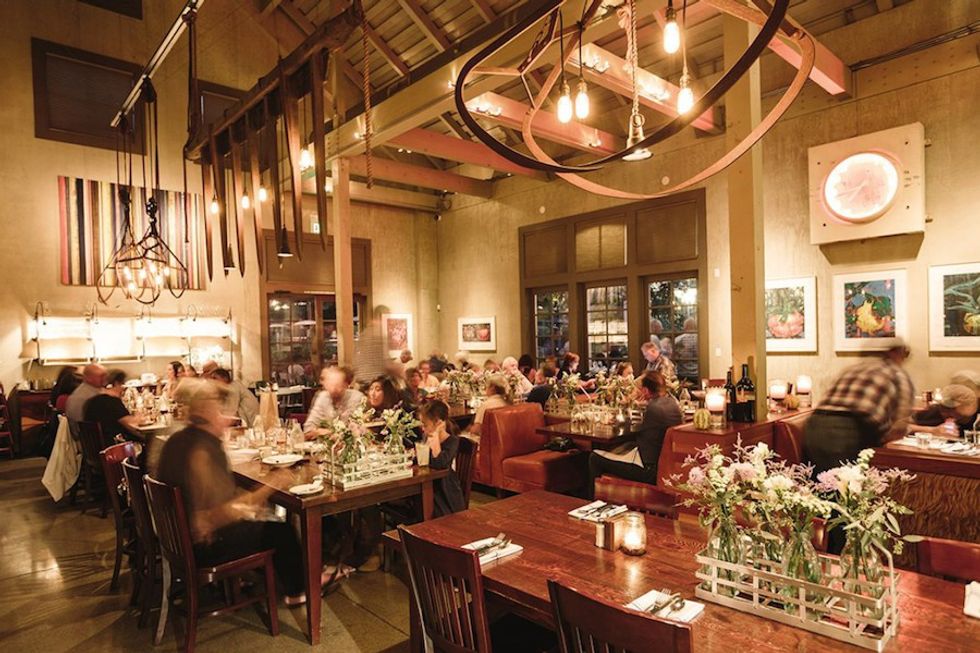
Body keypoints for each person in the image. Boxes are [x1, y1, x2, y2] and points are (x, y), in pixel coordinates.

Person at [156, 379, 310, 605]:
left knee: (265, 516)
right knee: (280, 530)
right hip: (203, 547)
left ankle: (255, 576)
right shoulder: (202, 451)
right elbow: (218, 515)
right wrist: (272, 484)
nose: (226, 417)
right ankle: (297, 592)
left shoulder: (177, 441)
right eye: (219, 410)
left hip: (177, 541)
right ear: (205, 412)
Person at [804, 342, 914, 476]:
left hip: (814, 424)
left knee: (819, 482)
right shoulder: (898, 374)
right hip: (847, 430)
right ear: (897, 354)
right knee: (845, 484)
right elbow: (899, 425)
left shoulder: (855, 368)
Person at [587, 371, 681, 496]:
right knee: (623, 448)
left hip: (647, 469)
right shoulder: (672, 403)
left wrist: (627, 404)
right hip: (664, 466)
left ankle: (591, 500)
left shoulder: (653, 408)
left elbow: (631, 427)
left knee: (594, 457)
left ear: (645, 390)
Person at [418, 401, 466, 516]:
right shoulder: (426, 438)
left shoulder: (452, 441)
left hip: (445, 490)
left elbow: (440, 463)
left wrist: (435, 436)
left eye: (425, 425)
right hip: (429, 485)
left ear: (438, 423)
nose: (423, 429)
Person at [303, 367, 366, 437]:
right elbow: (308, 429)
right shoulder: (323, 397)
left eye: (338, 385)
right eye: (330, 385)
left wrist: (327, 432)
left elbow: (357, 429)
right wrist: (319, 432)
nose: (333, 389)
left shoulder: (356, 398)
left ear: (346, 385)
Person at [83, 369, 140, 442]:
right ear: (116, 383)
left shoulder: (93, 400)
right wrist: (139, 417)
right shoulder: (111, 402)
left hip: (97, 444)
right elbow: (132, 425)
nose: (124, 389)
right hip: (114, 445)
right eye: (123, 385)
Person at [909, 384, 978, 437]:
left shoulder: (976, 419)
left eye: (952, 409)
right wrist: (932, 430)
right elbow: (903, 426)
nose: (946, 412)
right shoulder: (931, 411)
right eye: (944, 407)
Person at [65, 363, 106, 439]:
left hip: (81, 437)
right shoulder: (91, 396)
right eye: (101, 376)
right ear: (88, 378)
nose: (105, 378)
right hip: (88, 438)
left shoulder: (82, 391)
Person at [353, 311, 387, 384]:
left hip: (361, 379)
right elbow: (384, 363)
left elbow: (356, 358)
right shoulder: (378, 335)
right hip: (373, 380)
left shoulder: (363, 334)